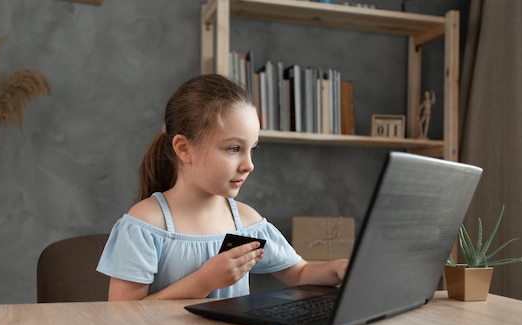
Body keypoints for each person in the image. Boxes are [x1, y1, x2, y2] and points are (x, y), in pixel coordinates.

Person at [97, 74, 348, 301]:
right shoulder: (145, 224)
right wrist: (205, 281)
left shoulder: (248, 223)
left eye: (252, 149)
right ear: (183, 148)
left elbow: (301, 273)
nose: (248, 165)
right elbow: (123, 317)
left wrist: (337, 268)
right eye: (233, 148)